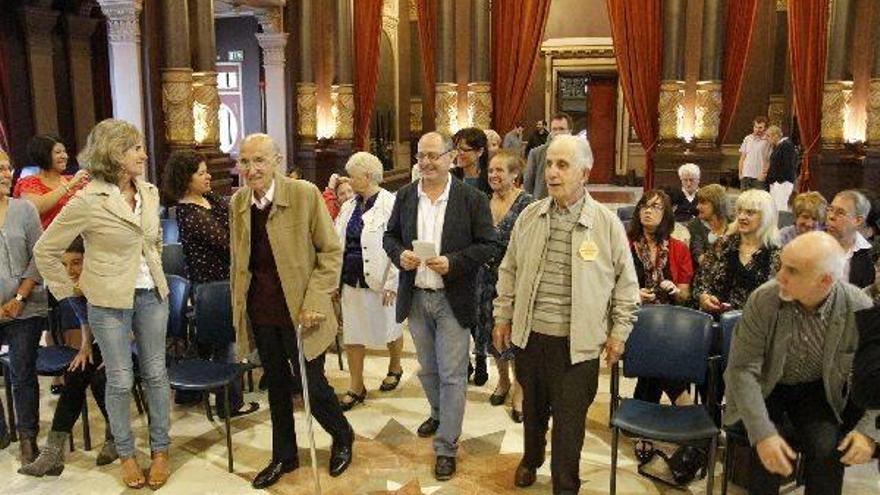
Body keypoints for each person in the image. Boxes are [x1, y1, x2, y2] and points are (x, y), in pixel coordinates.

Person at [493, 135, 640, 494]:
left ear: (584, 174)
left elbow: (626, 285)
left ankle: (565, 486)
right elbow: (509, 269)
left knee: (569, 425)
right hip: (530, 337)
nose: (552, 173)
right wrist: (502, 314)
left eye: (562, 165)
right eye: (549, 164)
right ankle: (531, 458)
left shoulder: (606, 224)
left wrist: (619, 332)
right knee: (532, 411)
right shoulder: (530, 216)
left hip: (578, 347)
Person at [34, 119, 172, 490]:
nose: (144, 155)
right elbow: (45, 250)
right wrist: (71, 290)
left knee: (156, 374)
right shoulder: (87, 199)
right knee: (121, 379)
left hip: (152, 295)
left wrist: (155, 265)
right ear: (115, 153)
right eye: (136, 148)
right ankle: (126, 454)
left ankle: (161, 450)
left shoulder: (149, 192)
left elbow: (154, 241)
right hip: (108, 301)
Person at [229, 133, 353, 489]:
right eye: (245, 161)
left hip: (302, 311)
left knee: (311, 383)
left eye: (259, 160)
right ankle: (284, 454)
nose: (251, 169)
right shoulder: (238, 202)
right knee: (277, 386)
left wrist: (315, 301)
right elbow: (239, 260)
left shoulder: (304, 194)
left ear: (277, 161)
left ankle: (342, 434)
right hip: (262, 310)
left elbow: (330, 252)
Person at [725, 231, 879, 495]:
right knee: (767, 455)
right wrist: (763, 433)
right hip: (766, 386)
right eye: (781, 265)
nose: (780, 276)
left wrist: (868, 432)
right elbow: (742, 370)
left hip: (817, 390)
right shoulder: (764, 299)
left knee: (828, 449)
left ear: (825, 280)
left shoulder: (859, 307)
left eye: (793, 271)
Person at [383, 131, 497, 481]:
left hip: (452, 299)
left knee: (452, 375)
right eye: (422, 155)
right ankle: (438, 413)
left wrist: (454, 262)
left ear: (451, 157)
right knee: (428, 369)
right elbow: (389, 236)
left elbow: (488, 245)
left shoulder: (471, 198)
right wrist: (400, 254)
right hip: (417, 297)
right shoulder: (405, 195)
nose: (427, 162)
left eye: (434, 155)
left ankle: (446, 445)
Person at [160, 150, 258, 418]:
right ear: (185, 178)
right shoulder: (189, 212)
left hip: (225, 281)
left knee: (209, 340)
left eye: (207, 172)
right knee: (226, 342)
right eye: (201, 173)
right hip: (211, 285)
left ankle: (188, 392)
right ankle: (230, 404)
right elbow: (229, 243)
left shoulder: (208, 198)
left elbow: (235, 214)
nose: (208, 177)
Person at [19, 237, 118, 477]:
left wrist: (113, 354)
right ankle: (52, 454)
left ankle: (116, 437)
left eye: (76, 262)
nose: (70, 270)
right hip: (103, 340)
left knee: (100, 378)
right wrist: (84, 347)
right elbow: (85, 319)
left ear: (89, 260)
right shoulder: (72, 286)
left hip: (128, 341)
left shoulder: (108, 280)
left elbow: (132, 323)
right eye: (64, 265)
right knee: (75, 372)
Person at [334, 152, 403, 411]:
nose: (349, 181)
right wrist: (334, 281)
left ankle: (395, 366)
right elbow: (336, 243)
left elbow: (400, 245)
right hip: (351, 278)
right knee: (353, 334)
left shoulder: (391, 204)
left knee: (390, 327)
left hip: (381, 279)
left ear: (367, 176)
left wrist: (393, 282)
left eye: (352, 176)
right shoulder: (348, 206)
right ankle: (356, 385)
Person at [475, 150, 533, 420]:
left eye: (500, 170)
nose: (493, 175)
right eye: (490, 171)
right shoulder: (482, 201)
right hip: (485, 279)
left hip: (516, 282)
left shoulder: (528, 204)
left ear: (514, 174)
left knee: (516, 337)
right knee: (492, 334)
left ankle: (520, 390)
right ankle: (503, 380)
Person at [0, 150, 48, 466]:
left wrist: (18, 299)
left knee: (21, 370)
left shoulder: (24, 210)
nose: (7, 174)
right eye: (0, 169)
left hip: (25, 306)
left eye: (8, 168)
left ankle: (28, 437)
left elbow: (39, 256)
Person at [628, 190, 693, 405]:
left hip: (670, 322)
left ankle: (642, 411)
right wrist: (634, 294)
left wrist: (674, 290)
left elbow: (685, 294)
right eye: (644, 206)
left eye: (655, 207)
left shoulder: (679, 248)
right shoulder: (625, 245)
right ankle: (684, 403)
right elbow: (610, 285)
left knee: (659, 347)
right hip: (634, 318)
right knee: (661, 347)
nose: (647, 211)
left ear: (666, 214)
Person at [696, 189, 780, 313]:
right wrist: (704, 298)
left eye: (750, 213)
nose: (741, 217)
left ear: (766, 217)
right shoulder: (722, 244)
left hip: (756, 321)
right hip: (717, 318)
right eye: (740, 211)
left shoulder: (777, 255)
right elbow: (701, 282)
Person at [13, 134, 90, 229]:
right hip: (47, 236)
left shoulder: (73, 179)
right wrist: (69, 185)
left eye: (64, 152)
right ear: (43, 155)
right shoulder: (28, 182)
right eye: (58, 152)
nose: (65, 156)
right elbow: (35, 208)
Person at [825, 190, 875, 289]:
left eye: (840, 213)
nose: (831, 216)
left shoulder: (870, 257)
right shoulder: (812, 244)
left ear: (858, 220)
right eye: (830, 209)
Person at [523, 112, 573, 200]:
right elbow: (528, 183)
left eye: (561, 129)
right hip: (542, 202)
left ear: (570, 131)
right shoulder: (536, 153)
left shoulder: (577, 154)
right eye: (554, 129)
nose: (557, 132)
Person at [687, 183, 729, 265]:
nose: (697, 207)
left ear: (716, 204)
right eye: (698, 203)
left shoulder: (731, 224)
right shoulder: (695, 225)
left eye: (703, 203)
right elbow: (700, 258)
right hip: (706, 271)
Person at [765, 125, 799, 213]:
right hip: (777, 183)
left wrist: (778, 180)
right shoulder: (779, 146)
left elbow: (788, 165)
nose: (767, 139)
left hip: (783, 183)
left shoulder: (786, 145)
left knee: (781, 208)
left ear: (776, 135)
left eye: (768, 136)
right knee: (775, 208)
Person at [451, 127, 491, 196]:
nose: (458, 153)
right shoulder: (450, 176)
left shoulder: (490, 178)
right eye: (456, 149)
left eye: (464, 149)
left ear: (480, 151)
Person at [738, 116, 771, 191]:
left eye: (760, 128)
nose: (757, 130)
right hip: (746, 175)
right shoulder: (747, 138)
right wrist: (740, 173)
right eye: (756, 127)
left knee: (758, 198)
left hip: (759, 177)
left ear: (765, 128)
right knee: (744, 197)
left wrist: (764, 174)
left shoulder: (768, 141)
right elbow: (742, 157)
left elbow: (769, 160)